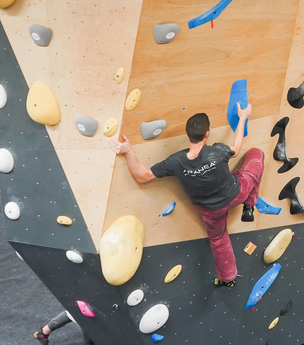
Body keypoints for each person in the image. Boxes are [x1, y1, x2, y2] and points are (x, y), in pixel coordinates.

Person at [108, 107, 263, 287]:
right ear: (207, 133)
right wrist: (243, 117)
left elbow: (142, 176)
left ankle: (228, 279)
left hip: (212, 210)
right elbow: (236, 148)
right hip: (237, 193)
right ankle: (250, 205)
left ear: (188, 135)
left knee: (219, 240)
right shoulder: (217, 151)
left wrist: (129, 152)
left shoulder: (176, 162)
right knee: (256, 155)